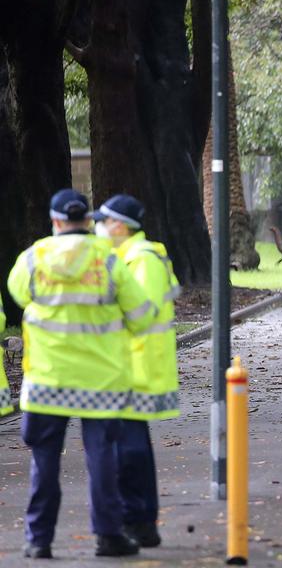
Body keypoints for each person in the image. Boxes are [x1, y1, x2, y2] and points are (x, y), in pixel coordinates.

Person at [6, 188, 156, 559]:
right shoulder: (108, 260)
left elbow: (17, 295)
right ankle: (108, 536)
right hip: (100, 383)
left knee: (44, 461)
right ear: (87, 221)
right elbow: (143, 316)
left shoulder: (33, 258)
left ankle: (38, 539)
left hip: (46, 382)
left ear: (56, 221)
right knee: (102, 460)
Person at [92, 194, 181, 548]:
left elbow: (135, 314)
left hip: (135, 368)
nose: (98, 227)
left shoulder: (141, 261)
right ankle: (141, 522)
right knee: (131, 449)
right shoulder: (129, 258)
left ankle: (139, 520)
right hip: (131, 366)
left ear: (119, 226)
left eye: (103, 221)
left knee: (129, 453)